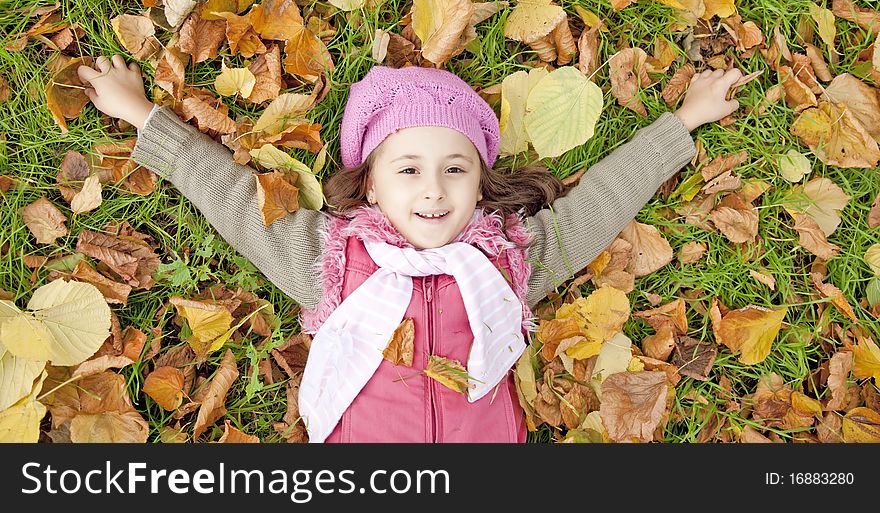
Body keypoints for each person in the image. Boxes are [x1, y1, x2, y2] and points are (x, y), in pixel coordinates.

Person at [76, 55, 742, 443]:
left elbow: (600, 204)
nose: (433, 190)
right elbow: (227, 196)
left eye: (455, 168)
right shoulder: (332, 258)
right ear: (369, 181)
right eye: (408, 169)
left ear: (482, 180)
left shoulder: (509, 257)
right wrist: (143, 116)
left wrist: (682, 122)